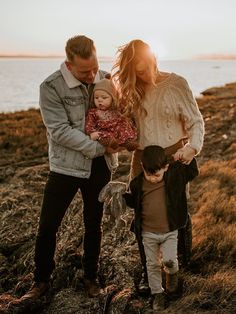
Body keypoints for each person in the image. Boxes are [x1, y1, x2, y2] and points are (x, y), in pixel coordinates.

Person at [17, 35, 119, 301]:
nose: (92, 75)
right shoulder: (50, 86)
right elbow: (60, 131)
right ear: (69, 64)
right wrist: (100, 147)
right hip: (64, 167)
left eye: (95, 67)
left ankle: (91, 277)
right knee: (48, 225)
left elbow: (121, 114)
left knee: (93, 224)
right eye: (86, 71)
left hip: (100, 168)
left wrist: (120, 138)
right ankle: (40, 282)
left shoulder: (107, 78)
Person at [112, 39, 204, 292]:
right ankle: (148, 271)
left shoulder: (177, 84)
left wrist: (192, 147)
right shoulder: (131, 90)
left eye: (146, 67)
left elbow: (196, 121)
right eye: (137, 72)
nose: (144, 74)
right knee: (144, 215)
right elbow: (125, 128)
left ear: (154, 58)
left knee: (177, 211)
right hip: (142, 160)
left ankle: (182, 265)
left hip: (174, 157)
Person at [123, 145, 199, 310]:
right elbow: (133, 202)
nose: (152, 178)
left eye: (156, 175)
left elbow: (193, 172)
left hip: (169, 232)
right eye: (148, 174)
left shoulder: (175, 175)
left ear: (165, 167)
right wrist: (122, 195)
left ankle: (172, 284)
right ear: (143, 167)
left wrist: (187, 156)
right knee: (152, 265)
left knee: (169, 261)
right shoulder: (137, 183)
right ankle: (157, 293)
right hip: (148, 233)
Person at [85, 78, 138, 151]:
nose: (99, 100)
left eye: (104, 97)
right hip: (105, 131)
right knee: (100, 134)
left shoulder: (116, 109)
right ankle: (110, 142)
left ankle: (128, 141)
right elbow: (89, 124)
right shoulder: (93, 112)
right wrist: (91, 132)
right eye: (96, 98)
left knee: (124, 121)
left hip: (120, 132)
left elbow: (127, 110)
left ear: (112, 98)